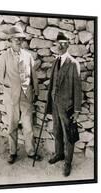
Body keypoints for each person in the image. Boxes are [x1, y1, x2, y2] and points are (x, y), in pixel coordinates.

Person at [0, 25, 42, 164]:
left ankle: (31, 152)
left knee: (28, 126)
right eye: (15, 38)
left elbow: (33, 75)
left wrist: (35, 90)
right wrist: (11, 86)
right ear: (10, 40)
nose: (18, 41)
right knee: (12, 125)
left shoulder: (27, 55)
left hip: (26, 97)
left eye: (20, 39)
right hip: (11, 97)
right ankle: (13, 152)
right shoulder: (4, 56)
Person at [47, 32, 82, 176]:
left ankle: (68, 162)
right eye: (58, 43)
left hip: (67, 106)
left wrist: (77, 110)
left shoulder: (73, 63)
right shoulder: (56, 61)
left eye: (63, 43)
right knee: (57, 131)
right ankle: (59, 154)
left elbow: (78, 89)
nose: (60, 46)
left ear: (68, 45)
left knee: (69, 135)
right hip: (55, 104)